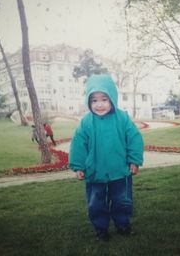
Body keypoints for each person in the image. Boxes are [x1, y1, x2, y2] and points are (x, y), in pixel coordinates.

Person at [69, 74, 144, 241]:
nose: (99, 104)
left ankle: (122, 224)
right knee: (96, 203)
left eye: (104, 99)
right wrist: (79, 166)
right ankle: (101, 228)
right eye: (94, 100)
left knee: (122, 200)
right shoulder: (86, 122)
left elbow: (134, 138)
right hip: (95, 172)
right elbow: (78, 145)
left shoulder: (122, 118)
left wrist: (134, 160)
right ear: (89, 102)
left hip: (120, 170)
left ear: (112, 98)